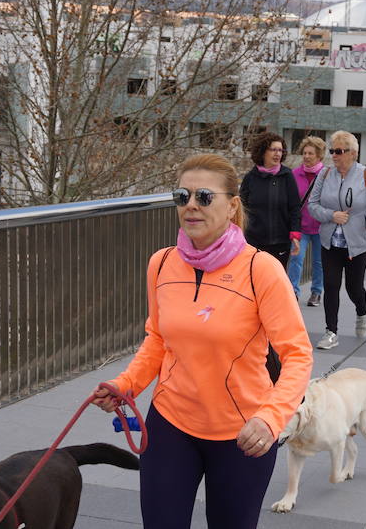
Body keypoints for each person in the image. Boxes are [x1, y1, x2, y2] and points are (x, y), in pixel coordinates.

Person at [91, 154, 313, 529]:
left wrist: (271, 418)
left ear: (233, 206)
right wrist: (125, 385)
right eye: (182, 196)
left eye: (204, 197)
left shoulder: (261, 269)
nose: (191, 205)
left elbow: (297, 354)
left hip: (243, 433)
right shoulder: (161, 264)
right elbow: (158, 340)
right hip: (171, 424)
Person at [308, 131, 366, 350]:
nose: (334, 155)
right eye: (332, 151)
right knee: (331, 285)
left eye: (339, 151)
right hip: (329, 242)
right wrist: (331, 215)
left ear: (353, 154)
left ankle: (362, 312)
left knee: (354, 288)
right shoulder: (325, 175)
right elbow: (312, 205)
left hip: (358, 244)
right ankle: (331, 331)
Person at [240, 132, 301, 267]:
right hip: (254, 242)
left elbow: (295, 207)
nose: (277, 153)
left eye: (280, 150)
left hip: (280, 243)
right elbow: (241, 209)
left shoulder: (287, 176)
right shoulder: (250, 178)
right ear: (263, 152)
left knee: (275, 282)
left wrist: (295, 235)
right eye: (273, 149)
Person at [288, 136, 326, 306]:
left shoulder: (327, 175)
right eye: (304, 153)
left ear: (319, 156)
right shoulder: (295, 174)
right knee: (296, 259)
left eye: (311, 153)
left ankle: (316, 292)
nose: (307, 156)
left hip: (321, 227)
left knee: (319, 262)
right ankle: (293, 292)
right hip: (300, 226)